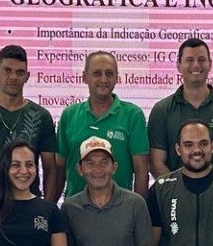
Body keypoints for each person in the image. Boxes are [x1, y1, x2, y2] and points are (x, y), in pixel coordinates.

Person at [0, 45, 62, 200]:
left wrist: (48, 207)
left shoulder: (41, 117)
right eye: (7, 71)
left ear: (27, 76)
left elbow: (50, 169)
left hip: (28, 203)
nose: (13, 77)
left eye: (19, 72)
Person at [148, 37, 213, 176]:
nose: (196, 65)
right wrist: (178, 188)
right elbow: (156, 164)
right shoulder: (161, 110)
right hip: (173, 190)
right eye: (190, 60)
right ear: (178, 65)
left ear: (210, 64)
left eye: (201, 60)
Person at [56, 51, 150, 196]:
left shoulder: (133, 115)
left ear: (117, 77)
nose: (104, 79)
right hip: (75, 207)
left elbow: (141, 170)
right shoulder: (69, 115)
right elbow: (59, 168)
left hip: (120, 207)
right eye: (97, 73)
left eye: (109, 73)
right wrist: (51, 207)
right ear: (84, 77)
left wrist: (139, 207)